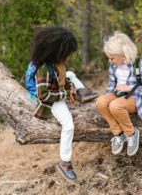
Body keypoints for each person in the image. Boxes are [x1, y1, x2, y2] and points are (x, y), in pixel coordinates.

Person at [26, 26, 98, 181]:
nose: (69, 56)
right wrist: (65, 94)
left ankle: (82, 92)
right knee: (68, 124)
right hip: (46, 98)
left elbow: (61, 76)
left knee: (70, 74)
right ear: (56, 51)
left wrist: (68, 87)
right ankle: (65, 162)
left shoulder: (55, 63)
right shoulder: (43, 69)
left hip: (54, 87)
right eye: (67, 53)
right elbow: (44, 95)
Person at [96, 31, 142, 156]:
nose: (110, 61)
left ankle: (131, 134)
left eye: (112, 58)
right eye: (109, 57)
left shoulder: (141, 65)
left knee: (115, 106)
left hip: (135, 98)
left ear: (123, 55)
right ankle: (118, 133)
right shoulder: (114, 66)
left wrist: (129, 88)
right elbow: (112, 84)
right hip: (118, 95)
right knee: (100, 102)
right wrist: (107, 96)